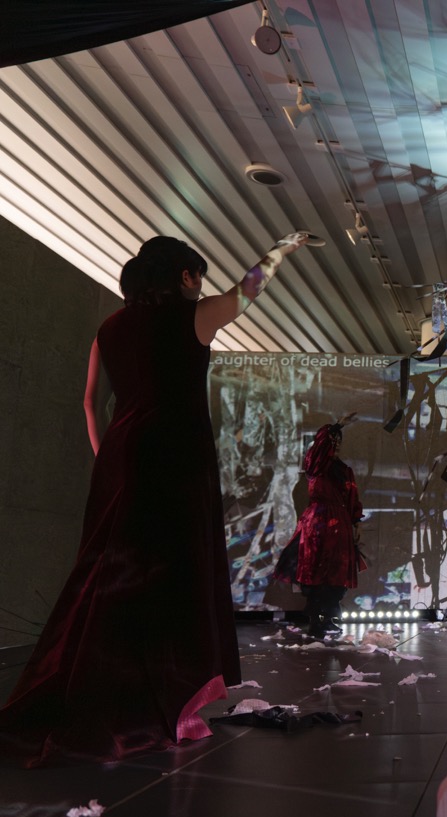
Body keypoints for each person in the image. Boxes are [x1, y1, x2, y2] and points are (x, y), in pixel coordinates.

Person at [0, 231, 311, 765]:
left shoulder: (109, 329)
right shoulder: (192, 317)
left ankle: (97, 694)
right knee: (174, 581)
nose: (200, 287)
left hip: (121, 458)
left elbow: (90, 403)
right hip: (178, 459)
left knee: (108, 580)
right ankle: (166, 705)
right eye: (198, 278)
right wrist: (282, 249)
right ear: (185, 276)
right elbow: (249, 289)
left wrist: (109, 459)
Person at [274, 418, 365, 637]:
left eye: (339, 440)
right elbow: (319, 449)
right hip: (318, 525)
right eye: (333, 440)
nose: (337, 444)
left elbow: (352, 498)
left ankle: (329, 619)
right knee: (317, 573)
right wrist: (335, 427)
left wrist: (356, 522)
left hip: (340, 526)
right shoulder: (316, 465)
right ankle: (316, 621)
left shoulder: (344, 470)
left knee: (337, 574)